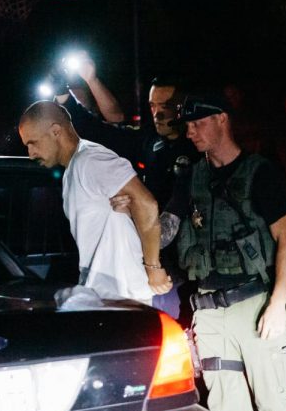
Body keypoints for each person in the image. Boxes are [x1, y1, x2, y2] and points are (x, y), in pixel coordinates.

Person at [162, 90, 286, 411]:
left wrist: (277, 305)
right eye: (188, 125)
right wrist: (132, 213)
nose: (191, 132)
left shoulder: (259, 172)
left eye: (198, 123)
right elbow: (167, 227)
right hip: (210, 311)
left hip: (255, 305)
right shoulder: (190, 177)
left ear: (222, 120)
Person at [52, 52, 200, 318]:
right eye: (153, 106)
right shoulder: (150, 142)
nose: (158, 113)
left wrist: (133, 209)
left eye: (166, 105)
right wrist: (64, 95)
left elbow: (174, 209)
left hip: (181, 273)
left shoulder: (197, 148)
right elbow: (101, 131)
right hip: (150, 269)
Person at [18, 100, 172, 303]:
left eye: (33, 143)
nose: (31, 154)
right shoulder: (72, 170)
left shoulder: (90, 160)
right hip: (102, 295)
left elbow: (146, 203)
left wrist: (153, 268)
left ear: (56, 131)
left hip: (123, 297)